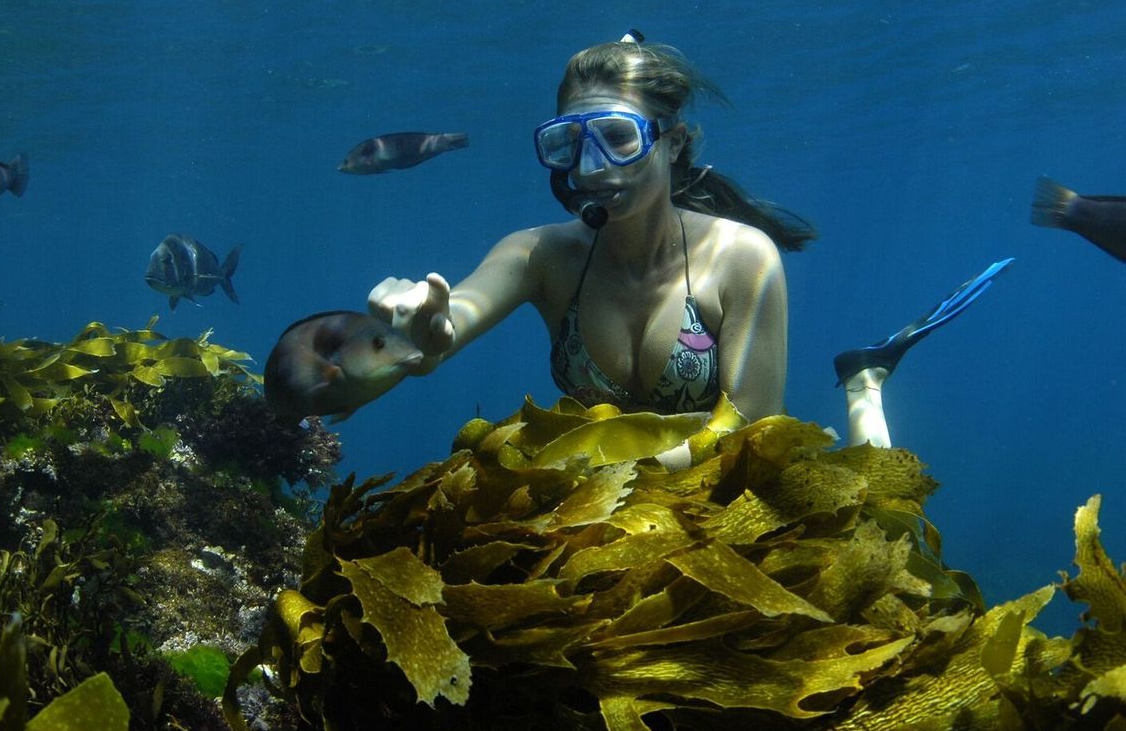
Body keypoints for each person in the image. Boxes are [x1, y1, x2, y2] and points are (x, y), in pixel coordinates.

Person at [368, 32, 1007, 463]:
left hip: (721, 484)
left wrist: (603, 472)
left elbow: (750, 428)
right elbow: (449, 327)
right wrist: (423, 335)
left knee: (882, 507)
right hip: (615, 505)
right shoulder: (538, 256)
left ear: (672, 143)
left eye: (618, 138)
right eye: (568, 144)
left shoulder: (742, 257)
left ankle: (863, 383)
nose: (591, 169)